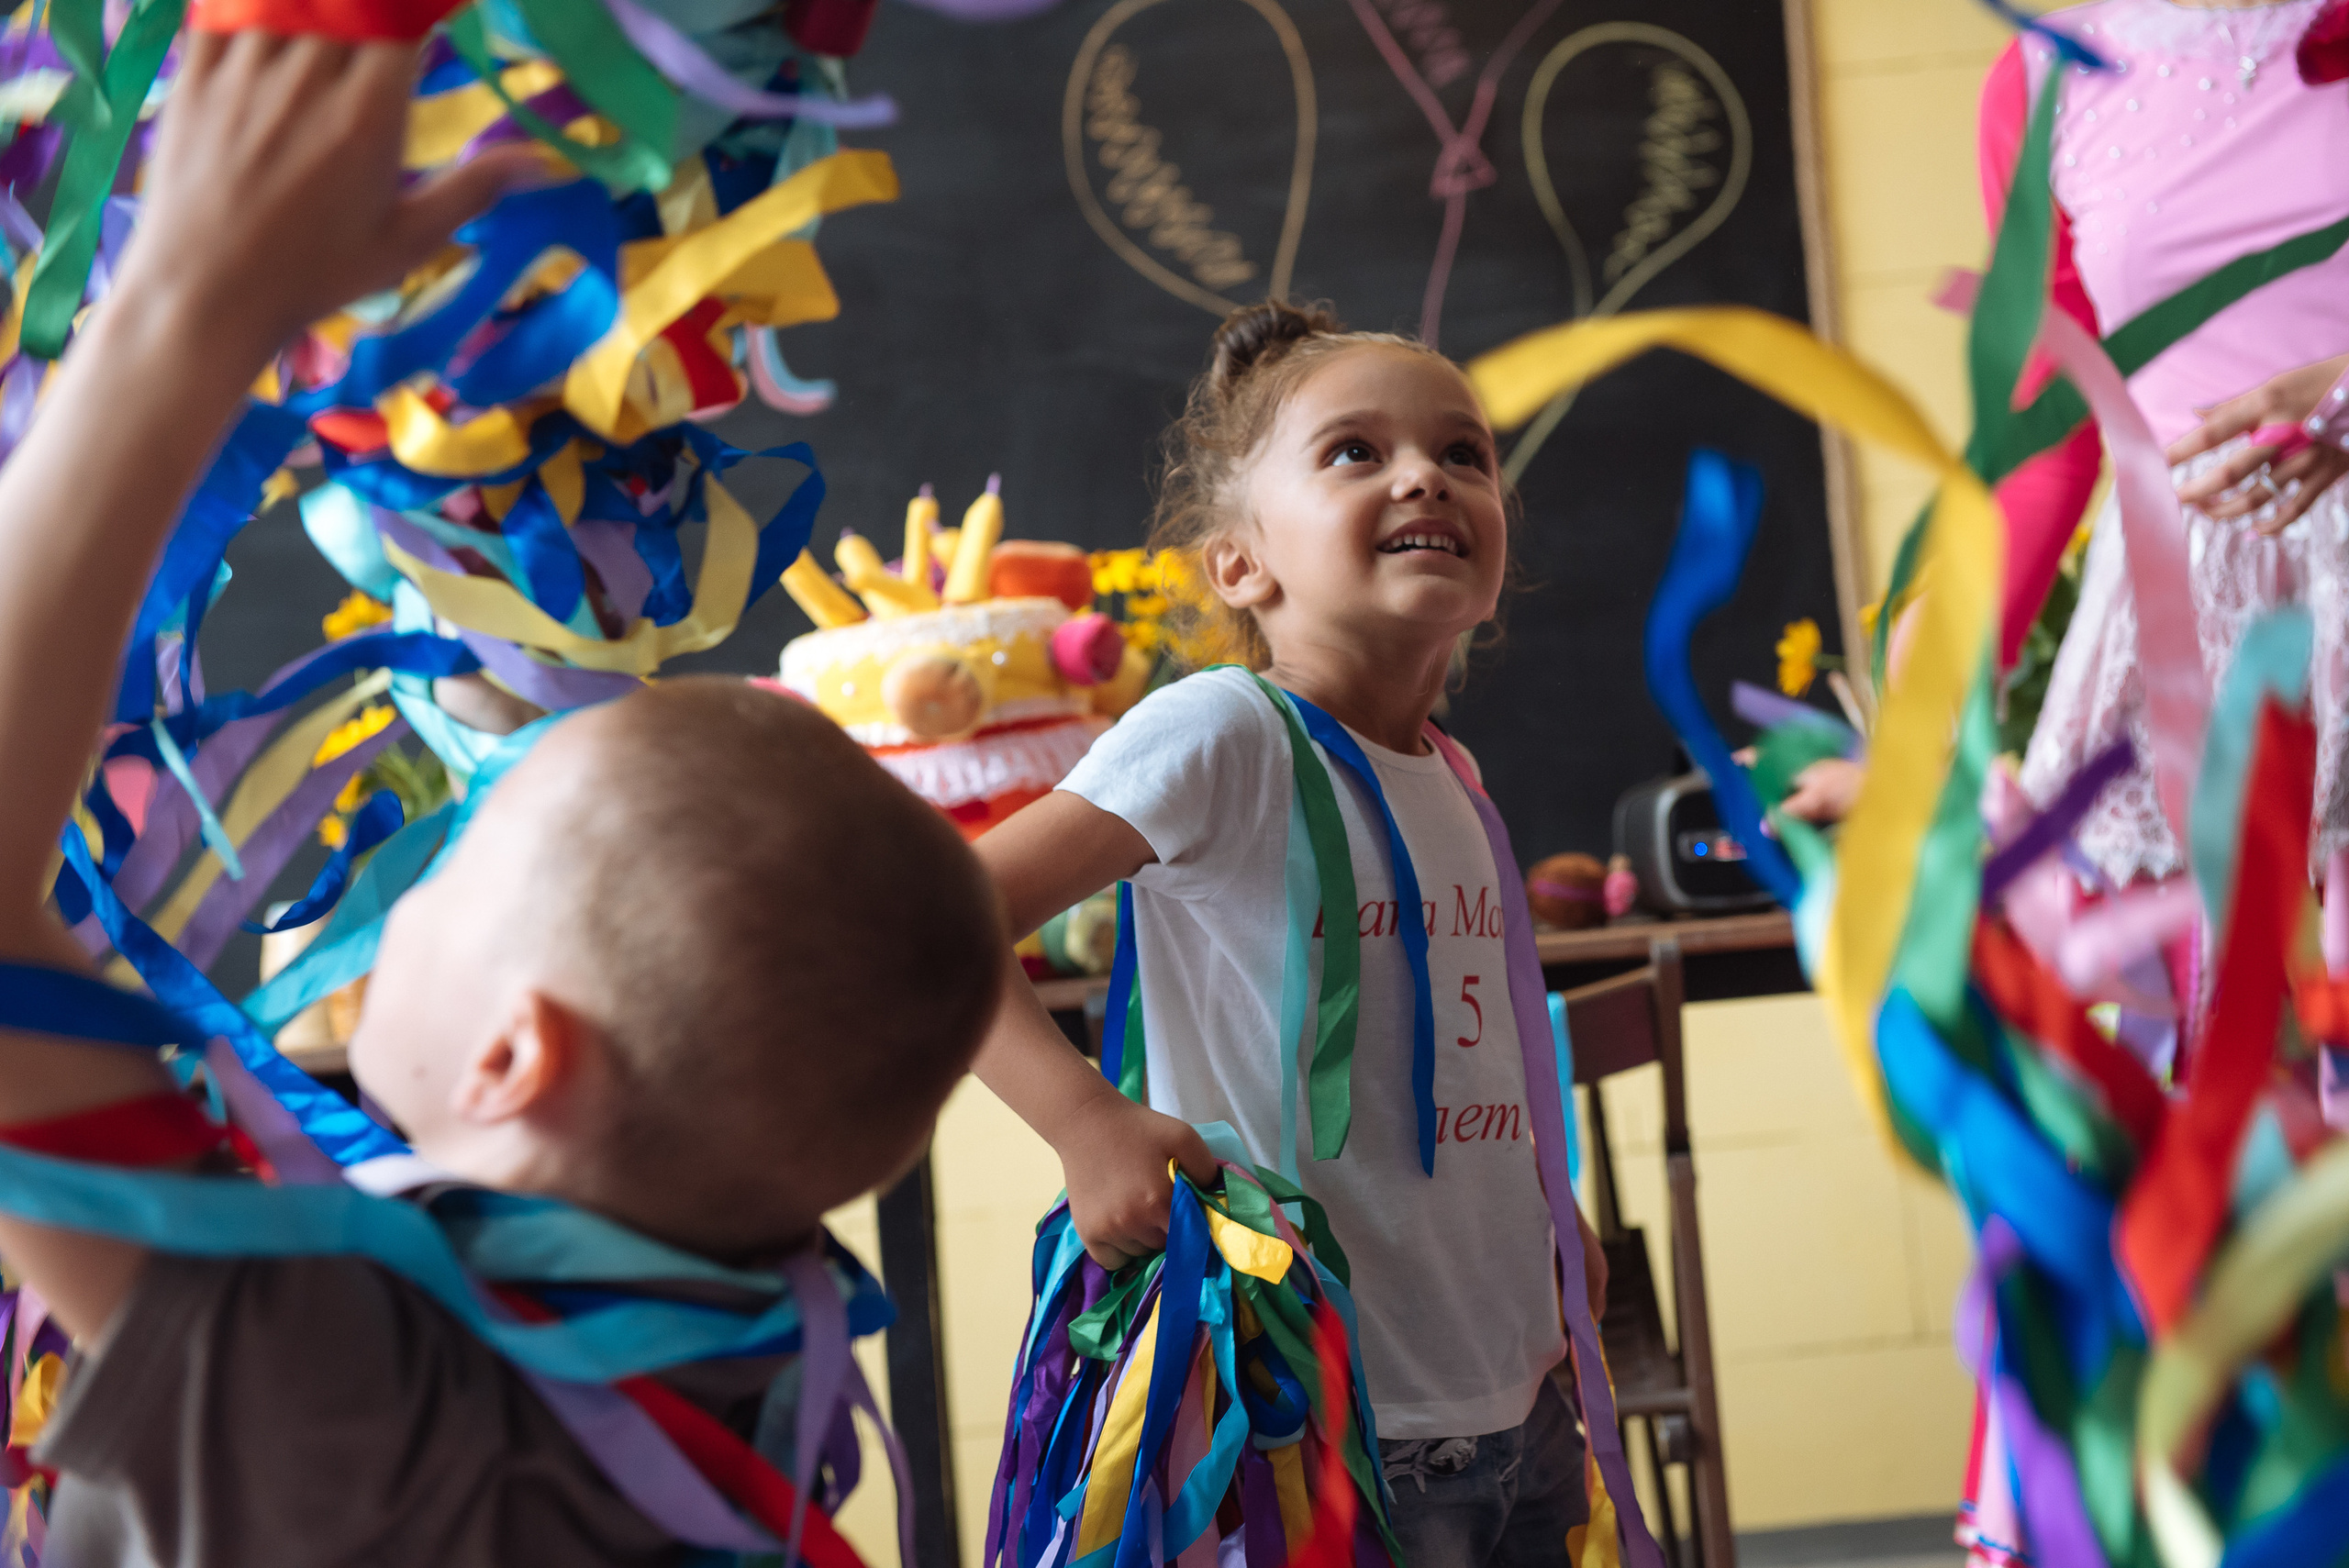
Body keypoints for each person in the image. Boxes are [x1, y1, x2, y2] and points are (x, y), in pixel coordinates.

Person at [0, 31, 1004, 1566]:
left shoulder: (349, 1403)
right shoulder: (730, 1339)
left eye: (455, 871)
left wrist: (186, 311)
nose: (419, 889)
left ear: (513, 1052)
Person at [969, 300, 1607, 1568]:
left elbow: (1468, 1071)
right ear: (1242, 565)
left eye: (1463, 453)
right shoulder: (1225, 731)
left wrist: (1552, 1219)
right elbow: (930, 919)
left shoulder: (1457, 777)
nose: (1425, 471)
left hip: (1512, 1400)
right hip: (1324, 1431)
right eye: (1354, 452)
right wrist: (1083, 1122)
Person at [1983, 0, 2349, 912]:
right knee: (2240, 1040)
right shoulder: (2040, 82)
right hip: (2193, 623)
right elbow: (2050, 436)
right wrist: (1928, 683)